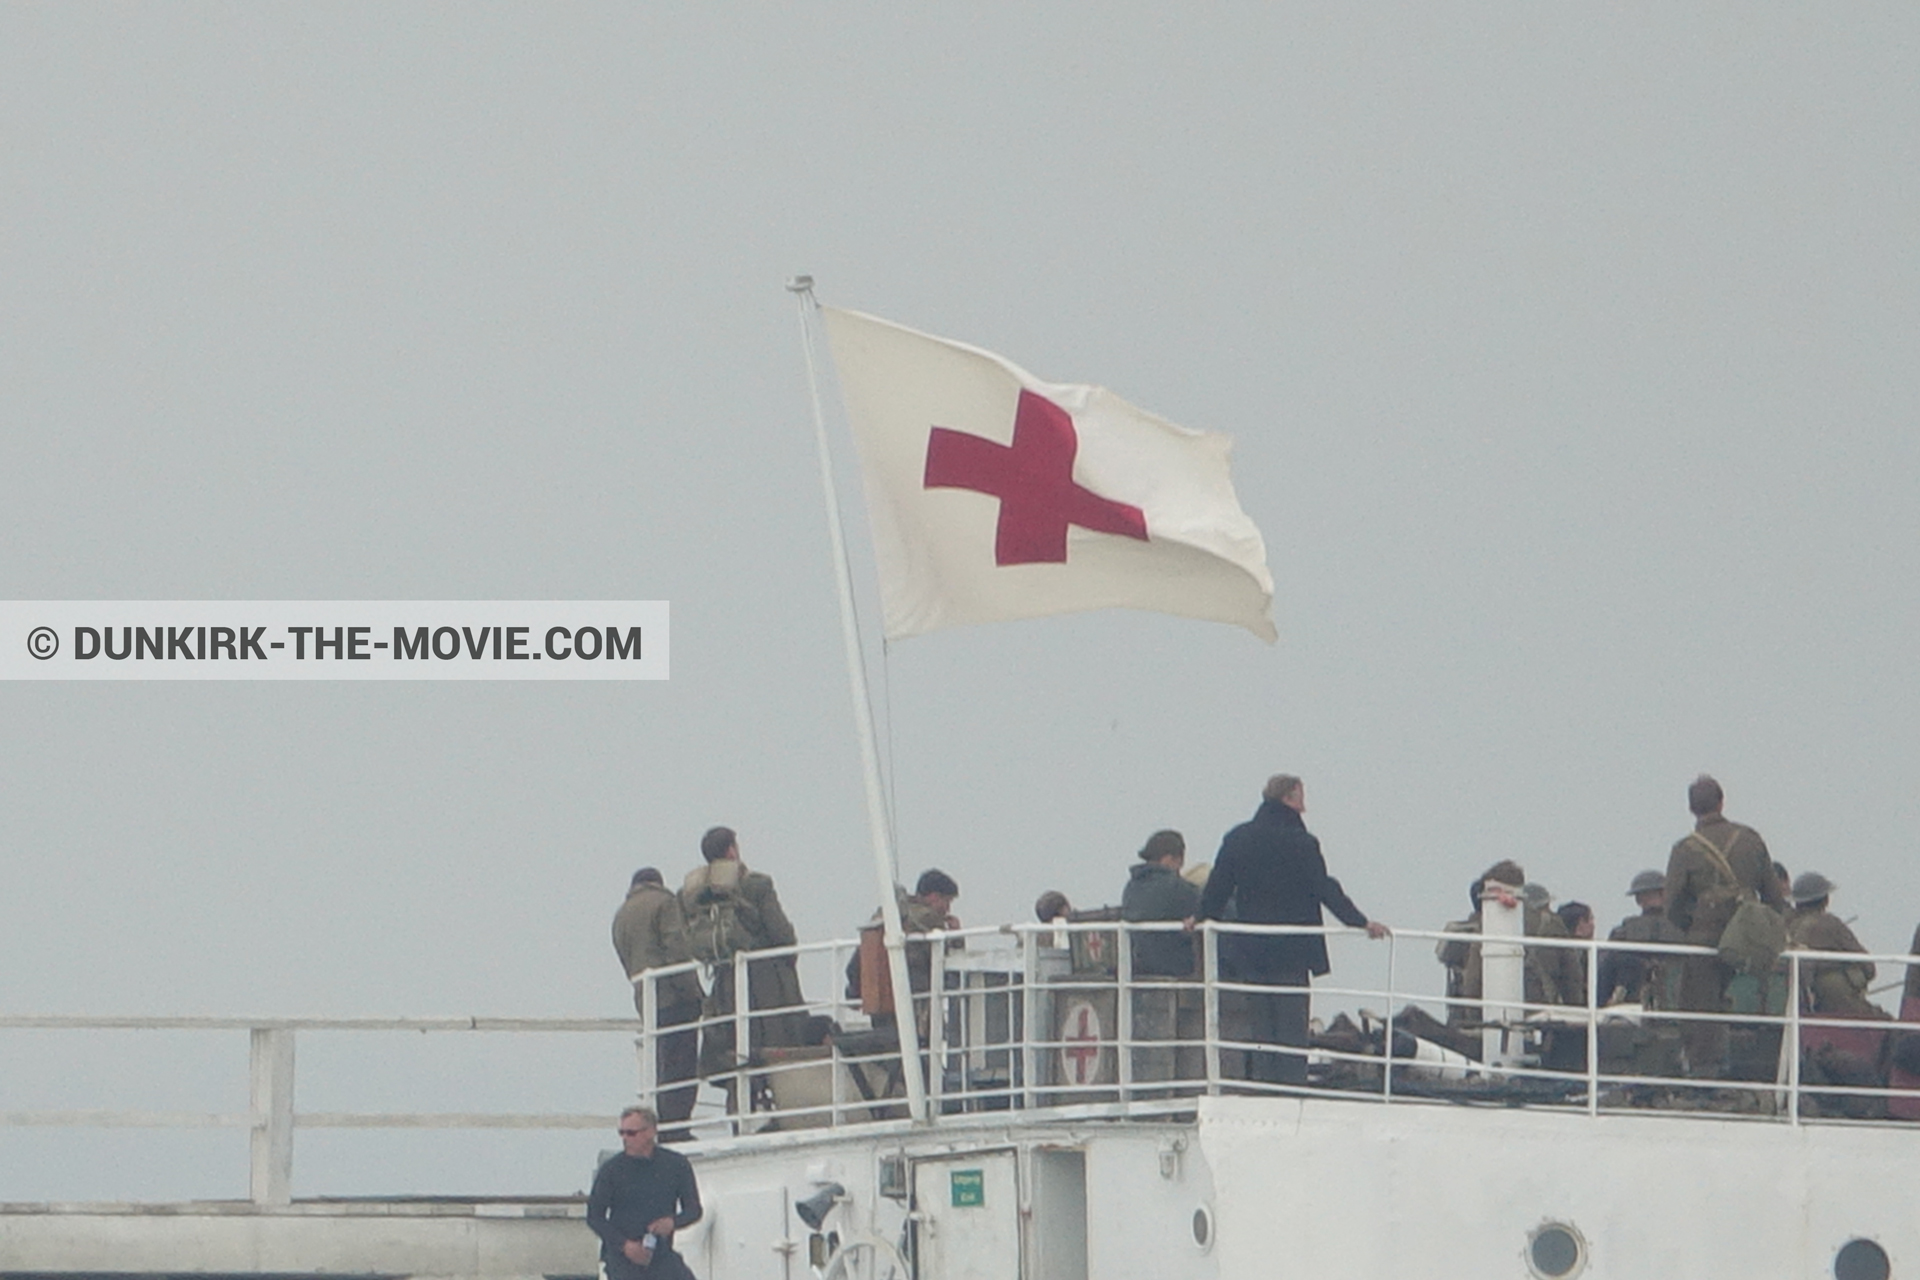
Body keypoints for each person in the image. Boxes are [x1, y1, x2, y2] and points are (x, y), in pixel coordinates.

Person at [1193, 775, 1388, 1085]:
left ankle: (1263, 1082)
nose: (1305, 805)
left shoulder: (1238, 838)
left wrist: (1200, 917)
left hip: (1253, 949)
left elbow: (1218, 888)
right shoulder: (1302, 843)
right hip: (1294, 950)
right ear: (1289, 799)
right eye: (1301, 797)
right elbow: (1324, 889)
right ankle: (1290, 1087)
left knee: (1261, 1024)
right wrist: (1360, 922)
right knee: (1291, 1026)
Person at [1663, 775, 1785, 1078]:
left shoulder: (1685, 849)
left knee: (1699, 1006)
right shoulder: (1750, 838)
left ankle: (1706, 1072)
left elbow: (1672, 906)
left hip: (1704, 938)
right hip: (1749, 936)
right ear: (1722, 802)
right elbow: (1773, 896)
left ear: (1691, 808)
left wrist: (1693, 926)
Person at [680, 826, 805, 1082]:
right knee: (775, 1056)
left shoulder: (694, 893)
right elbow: (781, 934)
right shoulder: (756, 884)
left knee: (736, 1055)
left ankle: (738, 1111)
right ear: (731, 849)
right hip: (766, 985)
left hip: (724, 985)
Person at [611, 867, 704, 1136]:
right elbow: (677, 951)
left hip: (646, 1002)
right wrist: (694, 994)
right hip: (675, 998)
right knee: (682, 1066)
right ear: (658, 883)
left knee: (661, 1064)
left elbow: (627, 962)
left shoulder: (621, 916)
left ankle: (662, 1125)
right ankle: (677, 1128)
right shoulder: (664, 904)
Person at [1122, 829, 1204, 1088]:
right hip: (1175, 973)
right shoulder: (1176, 888)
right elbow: (1216, 908)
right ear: (1171, 859)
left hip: (1140, 973)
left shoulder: (1131, 888)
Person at [587, 1105, 703, 1280]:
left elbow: (694, 1210)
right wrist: (625, 1245)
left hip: (661, 1254)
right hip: (622, 1258)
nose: (625, 1139)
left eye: (631, 1133)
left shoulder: (676, 1165)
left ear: (651, 1132)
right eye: (622, 1133)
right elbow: (594, 1217)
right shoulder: (611, 1170)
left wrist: (672, 1222)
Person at [1786, 873, 1886, 1022]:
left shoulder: (1788, 928)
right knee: (1887, 1023)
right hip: (1838, 1005)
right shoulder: (1831, 924)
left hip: (1799, 1007)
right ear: (1825, 900)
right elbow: (1869, 968)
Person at [1597, 870, 1685, 1007]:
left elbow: (1605, 965)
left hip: (1633, 999)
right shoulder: (1683, 929)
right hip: (1676, 999)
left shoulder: (1624, 930)